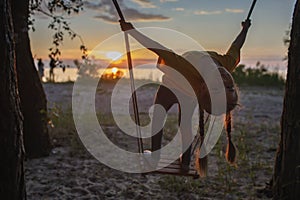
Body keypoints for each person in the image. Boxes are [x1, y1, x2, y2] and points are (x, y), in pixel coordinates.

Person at [119, 19, 251, 173]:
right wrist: (245, 29)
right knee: (166, 119)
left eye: (217, 87)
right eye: (229, 86)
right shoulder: (226, 63)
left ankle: (178, 160)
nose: (224, 80)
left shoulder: (184, 66)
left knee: (174, 121)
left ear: (203, 87)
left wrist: (132, 31)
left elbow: (156, 47)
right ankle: (176, 159)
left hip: (172, 86)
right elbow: (236, 45)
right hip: (180, 88)